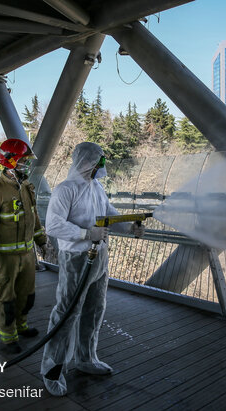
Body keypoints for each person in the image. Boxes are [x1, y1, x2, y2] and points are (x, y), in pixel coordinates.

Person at [40, 142, 145, 396]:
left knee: (95, 308)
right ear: (86, 162)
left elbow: (107, 215)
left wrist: (129, 227)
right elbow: (53, 226)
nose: (102, 166)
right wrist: (86, 232)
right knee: (67, 312)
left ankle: (86, 358)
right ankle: (52, 369)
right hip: (76, 259)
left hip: (99, 257)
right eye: (99, 161)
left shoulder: (96, 187)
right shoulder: (65, 190)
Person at [0, 138, 47, 355]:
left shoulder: (27, 187)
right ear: (9, 162)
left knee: (27, 295)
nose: (26, 165)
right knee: (5, 298)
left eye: (27, 161)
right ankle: (9, 338)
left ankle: (22, 326)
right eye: (22, 161)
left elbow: (33, 217)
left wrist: (42, 241)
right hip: (4, 258)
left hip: (27, 255)